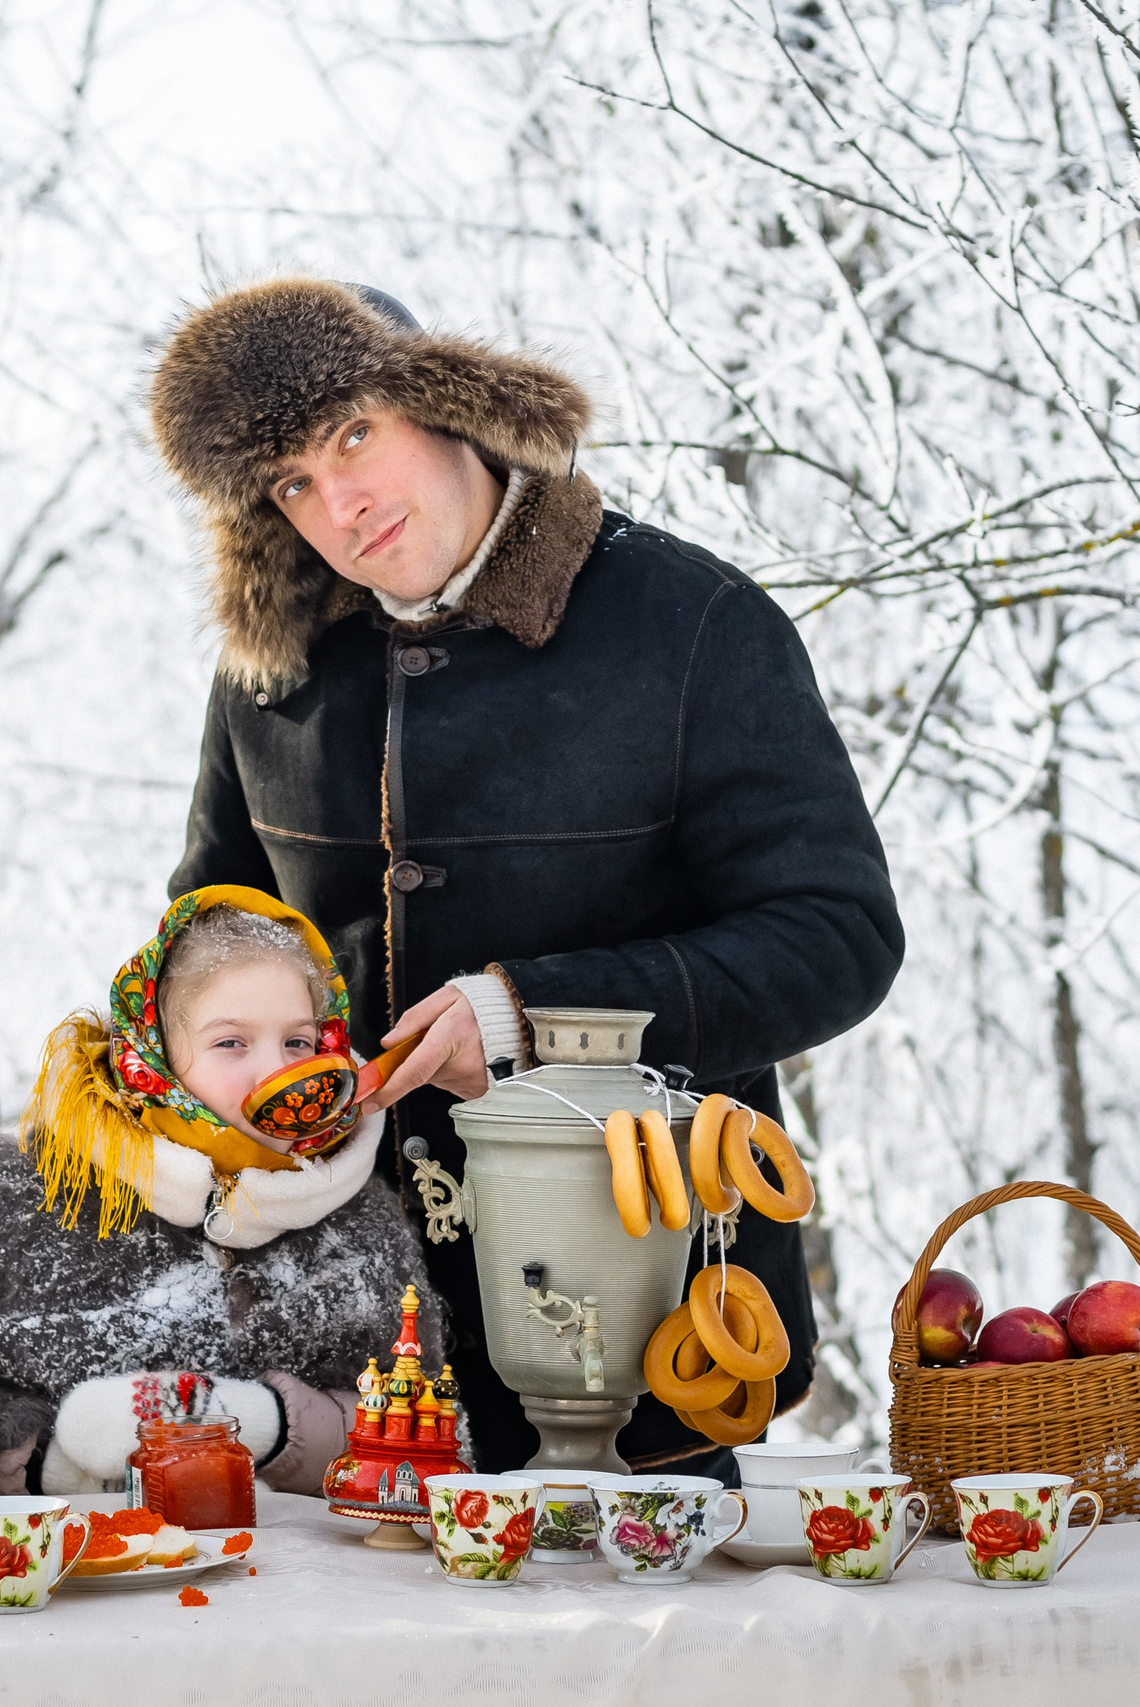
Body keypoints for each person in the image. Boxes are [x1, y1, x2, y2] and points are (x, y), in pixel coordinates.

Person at [150, 280, 902, 1476]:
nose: (339, 503)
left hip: (646, 1317)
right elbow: (207, 941)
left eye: (355, 435)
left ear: (445, 403)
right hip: (341, 1350)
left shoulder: (693, 621)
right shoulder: (268, 669)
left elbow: (836, 937)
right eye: (290, 482)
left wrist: (528, 1016)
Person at [0, 886, 442, 1496]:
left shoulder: (360, 1221)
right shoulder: (21, 1188)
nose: (276, 1071)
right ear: (154, 1056)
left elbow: (434, 1441)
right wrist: (44, 1459)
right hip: (65, 1552)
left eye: (298, 1042)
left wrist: (272, 1426)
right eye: (231, 1042)